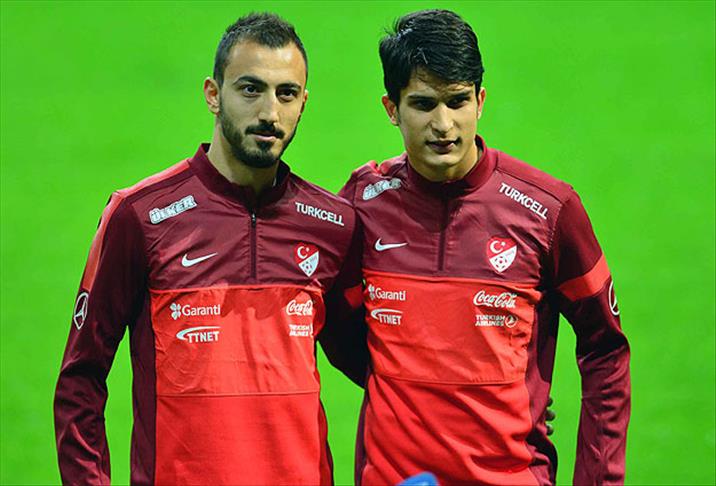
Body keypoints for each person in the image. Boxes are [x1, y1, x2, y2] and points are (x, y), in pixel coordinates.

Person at [54, 13, 365, 485]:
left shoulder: (333, 225)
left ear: (304, 102)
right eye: (250, 89)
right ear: (213, 95)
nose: (270, 112)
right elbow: (81, 378)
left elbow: (376, 366)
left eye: (286, 93)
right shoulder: (140, 217)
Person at [339, 9, 631, 485]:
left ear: (480, 100)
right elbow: (336, 325)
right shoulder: (362, 204)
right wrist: (424, 392)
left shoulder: (549, 211)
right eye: (423, 104)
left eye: (457, 101)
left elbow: (606, 350)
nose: (443, 124)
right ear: (392, 109)